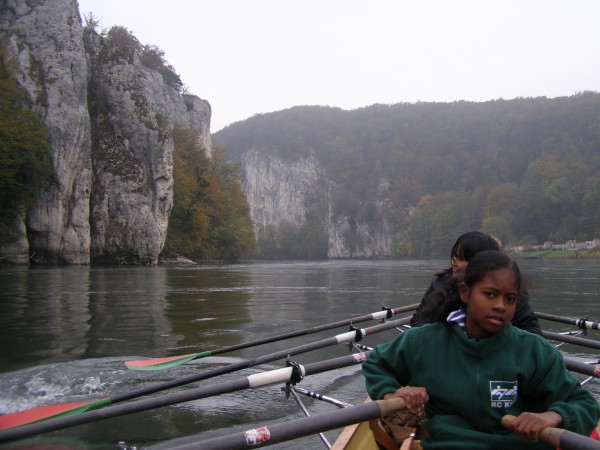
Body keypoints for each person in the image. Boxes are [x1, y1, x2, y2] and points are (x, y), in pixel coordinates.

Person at [363, 250, 600, 449]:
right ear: (465, 293)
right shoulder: (425, 342)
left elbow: (585, 405)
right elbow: (376, 363)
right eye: (490, 294)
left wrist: (552, 416)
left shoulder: (533, 350)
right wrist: (392, 393)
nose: (500, 306)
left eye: (510, 299)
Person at [410, 231, 542, 335]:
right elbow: (419, 319)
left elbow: (531, 329)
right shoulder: (440, 283)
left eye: (461, 258)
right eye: (454, 256)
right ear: (464, 292)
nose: (454, 262)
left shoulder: (507, 288)